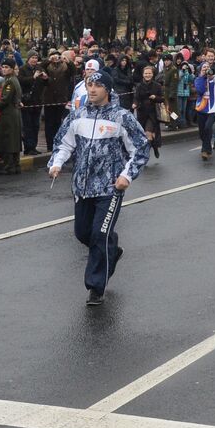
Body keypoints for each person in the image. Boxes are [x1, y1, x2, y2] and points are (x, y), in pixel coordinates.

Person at [48, 70, 150, 305]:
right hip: (82, 187)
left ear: (107, 89)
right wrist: (57, 163)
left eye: (96, 85)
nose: (92, 89)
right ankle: (111, 251)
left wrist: (126, 176)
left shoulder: (121, 117)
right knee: (82, 233)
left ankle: (96, 286)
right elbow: (63, 143)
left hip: (110, 188)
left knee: (100, 234)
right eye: (88, 85)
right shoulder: (77, 115)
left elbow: (140, 148)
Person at [192, 60, 215, 161]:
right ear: (201, 69)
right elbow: (200, 90)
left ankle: (205, 150)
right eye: (204, 68)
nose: (206, 69)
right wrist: (203, 77)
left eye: (208, 68)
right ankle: (207, 147)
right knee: (202, 131)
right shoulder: (198, 79)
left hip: (213, 108)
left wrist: (214, 77)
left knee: (207, 128)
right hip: (201, 108)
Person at [131, 64, 166, 160]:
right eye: (146, 73)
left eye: (149, 73)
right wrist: (134, 104)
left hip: (153, 113)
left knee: (148, 133)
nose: (147, 75)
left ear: (152, 74)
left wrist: (155, 97)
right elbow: (136, 98)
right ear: (143, 74)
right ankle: (154, 146)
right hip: (141, 113)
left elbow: (162, 99)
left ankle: (145, 155)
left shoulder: (157, 86)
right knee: (146, 135)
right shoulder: (139, 86)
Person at [0, 62, 23, 174]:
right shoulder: (13, 79)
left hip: (9, 114)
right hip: (14, 113)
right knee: (14, 139)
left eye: (7, 67)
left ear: (12, 69)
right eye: (3, 67)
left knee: (8, 139)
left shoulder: (9, 81)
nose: (4, 69)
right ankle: (16, 165)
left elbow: (5, 100)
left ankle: (9, 166)